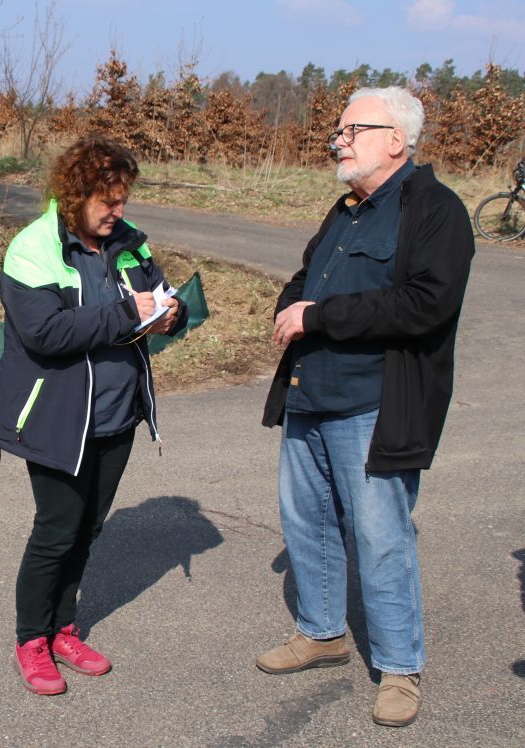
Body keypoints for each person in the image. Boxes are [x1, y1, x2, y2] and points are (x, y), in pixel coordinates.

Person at [257, 87, 474, 727]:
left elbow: (426, 304)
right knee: (308, 523)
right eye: (340, 130)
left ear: (396, 140)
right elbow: (307, 278)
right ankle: (322, 632)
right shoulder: (346, 208)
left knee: (381, 537)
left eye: (353, 129)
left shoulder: (436, 210)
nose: (340, 140)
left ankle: (400, 668)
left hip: (375, 403)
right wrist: (291, 308)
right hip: (310, 394)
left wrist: (319, 317)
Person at [0, 135, 189, 695]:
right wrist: (128, 312)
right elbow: (46, 333)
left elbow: (159, 293)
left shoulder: (128, 244)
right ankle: (32, 638)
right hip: (57, 417)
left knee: (89, 529)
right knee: (56, 531)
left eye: (123, 200)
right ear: (74, 194)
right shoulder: (33, 248)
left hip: (116, 414)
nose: (119, 212)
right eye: (109, 202)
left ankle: (64, 629)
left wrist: (175, 314)